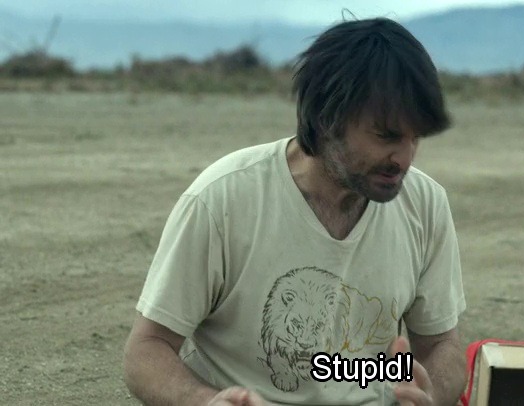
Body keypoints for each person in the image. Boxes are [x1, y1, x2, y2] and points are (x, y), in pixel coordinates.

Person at [123, 16, 467, 406]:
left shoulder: (425, 204)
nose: (404, 158)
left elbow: (442, 347)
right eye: (386, 136)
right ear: (327, 120)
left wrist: (430, 393)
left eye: (415, 137)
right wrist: (204, 401)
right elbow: (146, 349)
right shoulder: (223, 199)